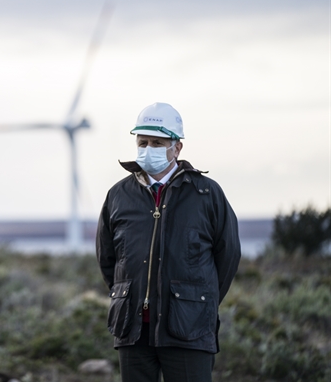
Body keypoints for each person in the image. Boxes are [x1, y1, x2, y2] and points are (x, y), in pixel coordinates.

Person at [96, 102, 241, 382]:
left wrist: (196, 303)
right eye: (143, 142)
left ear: (177, 147)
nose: (148, 149)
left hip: (190, 331)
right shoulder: (118, 195)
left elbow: (228, 255)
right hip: (133, 330)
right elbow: (108, 259)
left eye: (157, 142)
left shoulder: (206, 195)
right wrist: (125, 294)